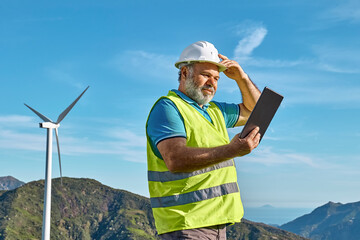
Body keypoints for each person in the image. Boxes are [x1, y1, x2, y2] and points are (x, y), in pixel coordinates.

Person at [146, 41, 261, 239]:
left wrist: (241, 79)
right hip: (186, 225)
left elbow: (258, 110)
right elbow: (176, 159)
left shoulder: (216, 111)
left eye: (216, 78)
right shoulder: (169, 108)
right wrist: (233, 150)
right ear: (184, 73)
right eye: (206, 75)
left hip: (217, 225)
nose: (212, 82)